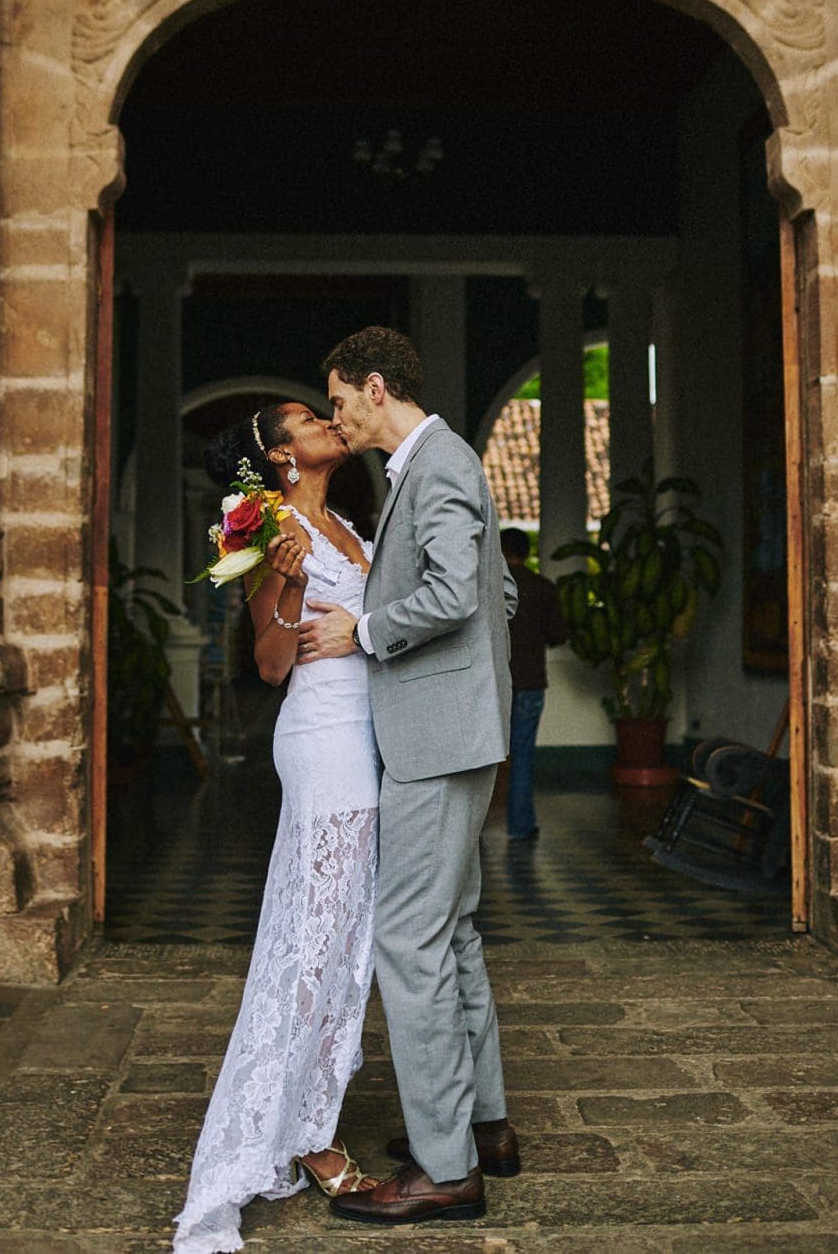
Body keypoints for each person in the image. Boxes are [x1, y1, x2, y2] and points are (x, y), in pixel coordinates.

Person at [295, 326, 521, 1226]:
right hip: (455, 729)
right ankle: (483, 1127)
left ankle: (443, 1168)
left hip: (435, 742)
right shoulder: (434, 465)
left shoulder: (439, 465)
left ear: (376, 388)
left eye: (341, 400)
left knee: (408, 940)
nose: (337, 418)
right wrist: (478, 695)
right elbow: (495, 594)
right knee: (453, 929)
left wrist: (365, 632)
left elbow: (459, 595)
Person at [173, 402, 380, 1254]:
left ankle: (310, 1112)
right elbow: (266, 664)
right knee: (316, 939)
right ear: (281, 456)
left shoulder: (347, 520)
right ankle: (293, 1131)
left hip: (375, 737)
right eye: (306, 418)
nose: (327, 420)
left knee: (350, 937)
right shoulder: (271, 531)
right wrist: (292, 582)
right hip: (326, 740)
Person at [500, 527, 569, 842]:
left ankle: (473, 833)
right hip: (530, 681)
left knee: (483, 759)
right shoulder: (543, 588)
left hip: (493, 684)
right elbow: (558, 635)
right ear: (527, 553)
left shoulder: (487, 589)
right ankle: (520, 826)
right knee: (523, 755)